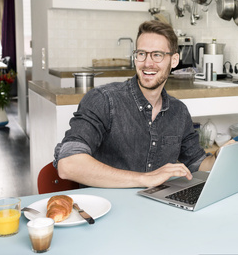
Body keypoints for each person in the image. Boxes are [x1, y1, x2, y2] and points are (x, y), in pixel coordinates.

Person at [54, 20, 216, 188]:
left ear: (174, 60)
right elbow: (68, 164)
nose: (147, 63)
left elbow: (197, 164)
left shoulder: (179, 111)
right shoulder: (103, 100)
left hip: (154, 208)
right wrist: (144, 179)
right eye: (142, 54)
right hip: (106, 209)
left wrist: (221, 155)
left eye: (157, 55)